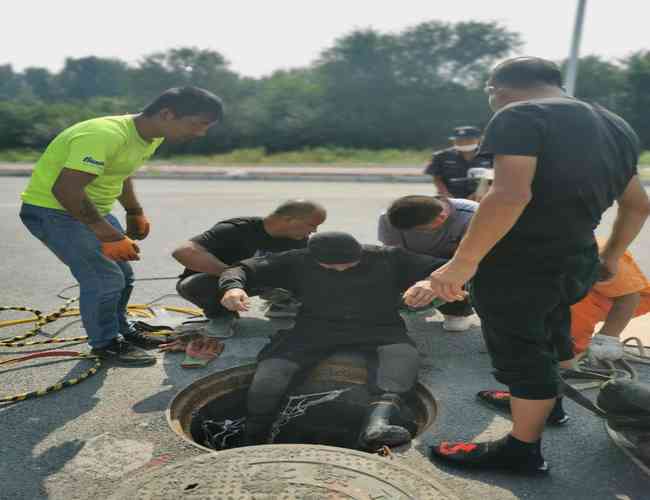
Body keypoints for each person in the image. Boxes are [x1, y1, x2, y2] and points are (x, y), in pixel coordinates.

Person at [423, 56, 650, 475]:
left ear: (498, 89)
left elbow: (510, 195)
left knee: (522, 353)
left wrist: (461, 263)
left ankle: (521, 450)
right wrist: (611, 256)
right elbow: (637, 204)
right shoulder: (616, 124)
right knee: (554, 330)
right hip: (576, 254)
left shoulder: (519, 114)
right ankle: (550, 403)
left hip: (521, 261)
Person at [19, 86, 224, 365]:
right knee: (104, 278)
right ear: (167, 114)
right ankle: (105, 344)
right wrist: (107, 234)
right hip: (54, 211)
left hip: (90, 209)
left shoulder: (149, 137)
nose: (200, 133)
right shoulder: (104, 135)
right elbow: (66, 190)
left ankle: (122, 329)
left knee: (123, 275)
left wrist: (133, 211)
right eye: (197, 125)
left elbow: (121, 174)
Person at [218, 231, 444, 449]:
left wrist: (430, 282)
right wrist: (233, 288)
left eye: (350, 264)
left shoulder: (389, 256)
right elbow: (241, 268)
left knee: (402, 359)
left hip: (380, 326)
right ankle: (255, 432)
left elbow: (443, 267)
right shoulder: (297, 259)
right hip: (315, 327)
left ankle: (377, 425)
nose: (342, 269)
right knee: (273, 369)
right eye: (332, 267)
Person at [477, 242, 650, 420]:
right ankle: (545, 394)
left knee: (558, 331)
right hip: (574, 287)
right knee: (544, 324)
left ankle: (541, 402)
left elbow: (629, 297)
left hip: (620, 300)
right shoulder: (539, 252)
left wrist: (607, 337)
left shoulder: (595, 251)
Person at [173, 200, 326, 338]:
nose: (315, 231)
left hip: (255, 282)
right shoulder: (237, 229)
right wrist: (232, 278)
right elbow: (183, 252)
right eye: (312, 225)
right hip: (216, 282)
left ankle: (282, 303)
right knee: (192, 285)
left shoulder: (297, 239)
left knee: (309, 269)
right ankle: (221, 316)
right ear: (289, 220)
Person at [377, 195, 477, 331]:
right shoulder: (388, 218)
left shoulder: (473, 216)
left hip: (455, 263)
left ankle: (456, 311)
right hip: (414, 260)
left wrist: (434, 282)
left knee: (455, 326)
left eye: (419, 230)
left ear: (441, 218)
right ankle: (411, 301)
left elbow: (472, 259)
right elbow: (393, 256)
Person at [424, 126, 493, 200]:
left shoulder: (490, 156)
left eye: (468, 139)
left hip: (481, 198)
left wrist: (478, 194)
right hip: (450, 198)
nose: (463, 142)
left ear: (479, 139)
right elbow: (437, 178)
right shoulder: (441, 156)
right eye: (459, 140)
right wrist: (446, 195)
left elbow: (495, 178)